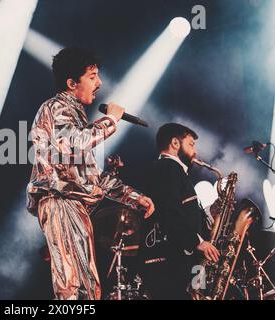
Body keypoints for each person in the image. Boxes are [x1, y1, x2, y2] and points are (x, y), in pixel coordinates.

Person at [26, 47, 154, 300]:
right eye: (93, 76)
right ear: (72, 83)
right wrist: (111, 121)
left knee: (88, 288)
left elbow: (91, 176)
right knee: (72, 285)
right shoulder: (56, 107)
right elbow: (71, 142)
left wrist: (133, 196)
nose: (100, 83)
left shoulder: (74, 116)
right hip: (60, 200)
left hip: (73, 204)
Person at [140, 123, 220, 300]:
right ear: (175, 143)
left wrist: (209, 213)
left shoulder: (175, 172)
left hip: (183, 261)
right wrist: (197, 242)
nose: (196, 152)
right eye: (191, 144)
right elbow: (169, 212)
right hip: (170, 263)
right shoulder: (167, 168)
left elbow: (181, 212)